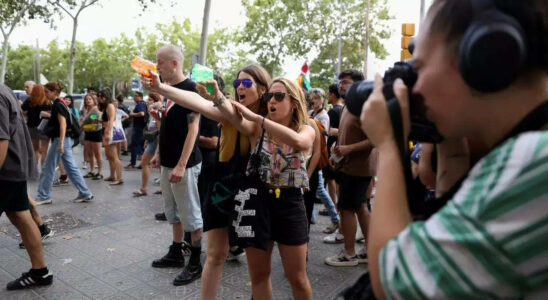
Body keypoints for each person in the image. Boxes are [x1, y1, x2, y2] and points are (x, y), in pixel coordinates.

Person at [360, 0, 548, 298]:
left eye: (418, 67)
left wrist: (388, 144)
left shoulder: (531, 161)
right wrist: (449, 144)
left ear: (482, 55)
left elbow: (394, 280)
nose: (415, 89)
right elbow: (451, 232)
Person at [142, 64, 271, 299]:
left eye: (247, 83)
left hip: (253, 192)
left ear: (262, 88)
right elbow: (195, 101)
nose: (240, 87)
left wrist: (218, 97)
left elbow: (244, 124)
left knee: (259, 269)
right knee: (214, 255)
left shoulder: (266, 116)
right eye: (237, 83)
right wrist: (161, 87)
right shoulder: (229, 108)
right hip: (223, 186)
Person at [218, 78, 315, 300]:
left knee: (297, 278)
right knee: (259, 276)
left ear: (294, 102)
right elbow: (232, 115)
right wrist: (217, 96)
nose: (272, 100)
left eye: (279, 96)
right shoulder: (257, 128)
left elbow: (301, 143)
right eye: (269, 96)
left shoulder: (307, 128)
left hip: (290, 205)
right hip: (258, 203)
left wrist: (259, 118)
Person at [146, 45, 203, 286]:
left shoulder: (191, 89)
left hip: (185, 165)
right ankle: (176, 251)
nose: (156, 66)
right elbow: (169, 128)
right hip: (168, 162)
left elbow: (193, 130)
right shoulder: (169, 90)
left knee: (191, 214)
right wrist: (159, 152)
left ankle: (196, 262)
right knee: (174, 212)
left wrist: (181, 165)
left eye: (160, 62)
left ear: (174, 63)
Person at [0, 83, 53, 290]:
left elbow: (1, 140)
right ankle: (40, 272)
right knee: (21, 215)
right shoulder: (5, 89)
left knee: (21, 216)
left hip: (5, 170)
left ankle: (41, 272)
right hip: (13, 167)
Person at [324, 69, 371, 266]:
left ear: (358, 85)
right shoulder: (348, 106)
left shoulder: (363, 107)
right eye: (340, 82)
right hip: (348, 166)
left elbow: (375, 139)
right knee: (360, 207)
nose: (340, 85)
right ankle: (370, 250)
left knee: (346, 208)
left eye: (345, 82)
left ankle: (349, 254)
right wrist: (337, 148)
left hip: (358, 168)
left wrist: (349, 149)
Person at [35, 82, 93, 205]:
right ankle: (85, 192)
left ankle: (43, 195)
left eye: (46, 91)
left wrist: (60, 143)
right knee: (71, 168)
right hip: (64, 139)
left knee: (48, 168)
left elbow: (63, 124)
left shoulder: (58, 104)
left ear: (53, 92)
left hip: (61, 139)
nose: (45, 94)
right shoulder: (60, 103)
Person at [308, 88, 340, 233]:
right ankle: (311, 216)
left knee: (319, 188)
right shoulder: (310, 114)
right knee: (312, 187)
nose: (313, 100)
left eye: (316, 98)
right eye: (311, 98)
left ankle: (335, 218)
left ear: (322, 100)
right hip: (309, 155)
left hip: (318, 155)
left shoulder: (323, 116)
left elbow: (321, 138)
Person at [133, 92, 162, 197]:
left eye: (150, 100)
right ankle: (162, 188)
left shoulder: (156, 113)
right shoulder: (150, 113)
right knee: (160, 166)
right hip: (152, 141)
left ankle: (143, 188)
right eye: (147, 99)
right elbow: (150, 129)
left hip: (156, 142)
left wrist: (158, 150)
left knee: (144, 163)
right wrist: (146, 141)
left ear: (155, 102)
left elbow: (160, 132)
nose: (147, 101)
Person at [21, 84, 51, 167]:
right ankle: (43, 169)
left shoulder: (29, 100)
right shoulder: (48, 101)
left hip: (32, 126)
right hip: (45, 127)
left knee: (35, 149)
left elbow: (23, 111)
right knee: (44, 150)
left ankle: (34, 168)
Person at [98, 89, 124, 185]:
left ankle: (119, 177)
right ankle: (112, 175)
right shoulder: (105, 107)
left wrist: (108, 133)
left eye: (102, 96)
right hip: (107, 130)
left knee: (114, 156)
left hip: (110, 131)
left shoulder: (110, 106)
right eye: (99, 96)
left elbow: (111, 120)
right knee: (109, 156)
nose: (100, 98)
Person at [80, 94, 103, 180]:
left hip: (96, 132)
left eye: (90, 99)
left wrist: (86, 119)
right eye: (86, 99)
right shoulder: (86, 109)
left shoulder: (96, 109)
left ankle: (100, 172)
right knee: (90, 153)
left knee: (97, 153)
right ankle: (92, 171)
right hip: (88, 132)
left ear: (94, 100)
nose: (88, 101)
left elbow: (96, 119)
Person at [126, 91, 147, 170]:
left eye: (135, 96)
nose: (134, 97)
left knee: (134, 145)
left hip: (138, 128)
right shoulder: (143, 103)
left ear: (140, 97)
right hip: (141, 128)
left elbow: (142, 114)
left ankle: (132, 163)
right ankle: (142, 163)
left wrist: (132, 114)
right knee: (141, 146)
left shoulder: (140, 104)